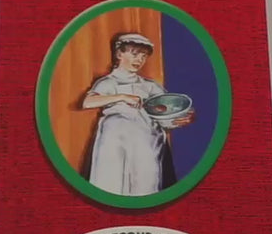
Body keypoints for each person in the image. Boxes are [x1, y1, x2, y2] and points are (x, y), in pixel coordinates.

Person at [82, 32, 194, 195]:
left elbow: (163, 115)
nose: (139, 60)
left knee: (145, 183)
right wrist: (122, 97)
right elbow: (87, 102)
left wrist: (179, 119)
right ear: (119, 54)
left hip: (146, 142)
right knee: (112, 181)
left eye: (143, 56)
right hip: (116, 141)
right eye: (134, 54)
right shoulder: (108, 82)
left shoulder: (150, 86)